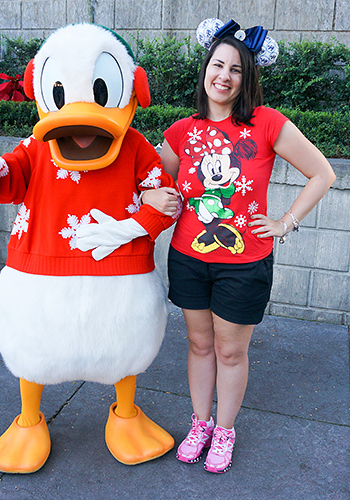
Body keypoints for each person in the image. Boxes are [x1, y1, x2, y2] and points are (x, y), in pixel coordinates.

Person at [141, 18, 336, 474]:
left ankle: (225, 431)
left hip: (244, 265)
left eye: (236, 70)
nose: (224, 76)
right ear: (205, 69)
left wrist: (285, 222)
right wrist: (150, 194)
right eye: (217, 65)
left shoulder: (266, 123)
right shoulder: (182, 130)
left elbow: (323, 173)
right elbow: (146, 178)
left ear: (247, 79)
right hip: (188, 258)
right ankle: (200, 423)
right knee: (198, 344)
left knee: (230, 351)